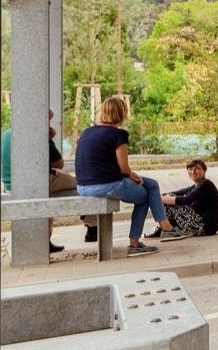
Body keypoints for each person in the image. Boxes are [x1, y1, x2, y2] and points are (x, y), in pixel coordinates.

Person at [74, 96, 184, 256]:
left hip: (83, 187)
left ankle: (165, 226)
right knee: (145, 195)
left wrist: (129, 175)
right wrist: (131, 174)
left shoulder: (87, 132)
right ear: (122, 113)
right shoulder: (118, 134)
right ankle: (137, 242)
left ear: (102, 112)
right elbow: (124, 167)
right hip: (107, 185)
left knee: (151, 184)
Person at [1, 108, 78, 253]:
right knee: (83, 186)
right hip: (39, 183)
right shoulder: (40, 134)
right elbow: (59, 164)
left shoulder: (6, 134)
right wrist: (49, 139)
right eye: (48, 120)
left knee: (47, 196)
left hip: (10, 185)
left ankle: (42, 240)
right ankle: (91, 225)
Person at [147, 159, 218, 239]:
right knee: (168, 198)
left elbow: (186, 199)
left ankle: (166, 230)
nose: (193, 171)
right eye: (190, 169)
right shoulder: (194, 187)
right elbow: (174, 193)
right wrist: (156, 196)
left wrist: (157, 198)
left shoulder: (206, 184)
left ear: (204, 170)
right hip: (200, 224)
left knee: (170, 203)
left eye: (197, 168)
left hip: (206, 227)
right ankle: (163, 229)